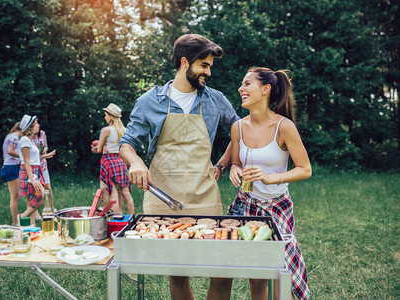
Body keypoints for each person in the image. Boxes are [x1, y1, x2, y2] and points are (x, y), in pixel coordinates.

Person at [119, 34, 240, 300]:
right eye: (204, 65)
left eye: (209, 66)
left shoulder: (215, 99)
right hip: (164, 197)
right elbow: (126, 143)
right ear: (185, 62)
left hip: (205, 194)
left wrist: (222, 164)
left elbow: (240, 132)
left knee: (222, 269)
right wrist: (136, 161)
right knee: (178, 272)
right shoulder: (150, 101)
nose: (208, 72)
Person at [227, 67, 311, 300]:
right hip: (246, 206)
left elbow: (305, 169)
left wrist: (270, 177)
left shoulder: (284, 127)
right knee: (256, 276)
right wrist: (235, 169)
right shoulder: (238, 127)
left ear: (265, 90)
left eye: (247, 84)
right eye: (242, 84)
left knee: (282, 274)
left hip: (277, 207)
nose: (240, 88)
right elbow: (236, 163)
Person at [92, 103, 134, 214]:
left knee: (112, 192)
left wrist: (94, 148)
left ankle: (114, 217)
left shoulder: (106, 130)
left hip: (109, 161)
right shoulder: (124, 130)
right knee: (125, 192)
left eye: (106, 115)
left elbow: (99, 149)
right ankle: (131, 217)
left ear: (111, 116)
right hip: (121, 161)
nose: (105, 117)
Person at [18, 115, 56, 226]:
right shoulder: (25, 140)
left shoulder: (29, 141)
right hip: (29, 172)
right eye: (36, 123)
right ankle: (22, 217)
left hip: (34, 171)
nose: (38, 125)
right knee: (41, 196)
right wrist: (32, 179)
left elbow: (33, 159)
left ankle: (32, 225)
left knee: (33, 198)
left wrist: (46, 156)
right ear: (30, 127)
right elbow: (26, 160)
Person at [0, 122, 22, 226]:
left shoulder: (10, 136)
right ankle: (15, 222)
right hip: (11, 167)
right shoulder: (14, 137)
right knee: (14, 197)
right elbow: (10, 151)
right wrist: (23, 156)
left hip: (9, 167)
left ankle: (16, 221)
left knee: (15, 196)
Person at [32, 126, 56, 212]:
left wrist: (44, 150)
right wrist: (47, 155)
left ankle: (52, 208)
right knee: (36, 190)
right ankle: (35, 211)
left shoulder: (42, 133)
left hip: (43, 165)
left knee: (48, 187)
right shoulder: (29, 137)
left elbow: (45, 146)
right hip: (35, 167)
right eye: (36, 123)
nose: (38, 125)